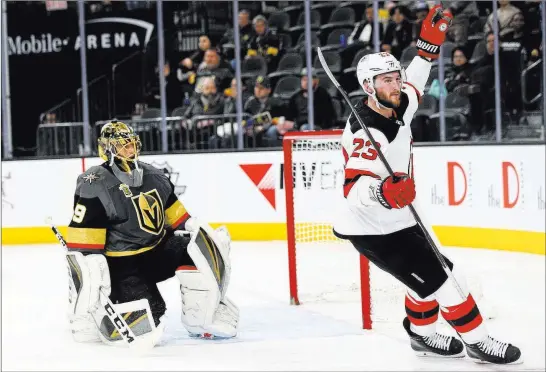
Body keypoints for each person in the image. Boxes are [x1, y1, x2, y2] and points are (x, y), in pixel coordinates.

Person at [333, 6, 521, 364]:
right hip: (372, 227)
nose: (395, 83)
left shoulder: (397, 103)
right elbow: (355, 189)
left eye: (395, 76)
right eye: (386, 80)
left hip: (398, 217)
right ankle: (479, 342)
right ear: (368, 87)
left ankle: (421, 334)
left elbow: (415, 81)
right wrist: (383, 192)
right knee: (445, 283)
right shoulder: (368, 130)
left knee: (427, 279)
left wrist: (426, 47)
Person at [65, 120, 239, 347]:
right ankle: (88, 316)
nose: (130, 149)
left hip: (156, 253)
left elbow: (180, 221)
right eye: (122, 145)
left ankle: (200, 316)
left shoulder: (154, 175)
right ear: (107, 148)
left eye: (132, 144)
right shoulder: (95, 183)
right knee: (153, 312)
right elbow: (84, 246)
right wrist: (92, 278)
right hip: (123, 264)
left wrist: (206, 237)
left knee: (195, 246)